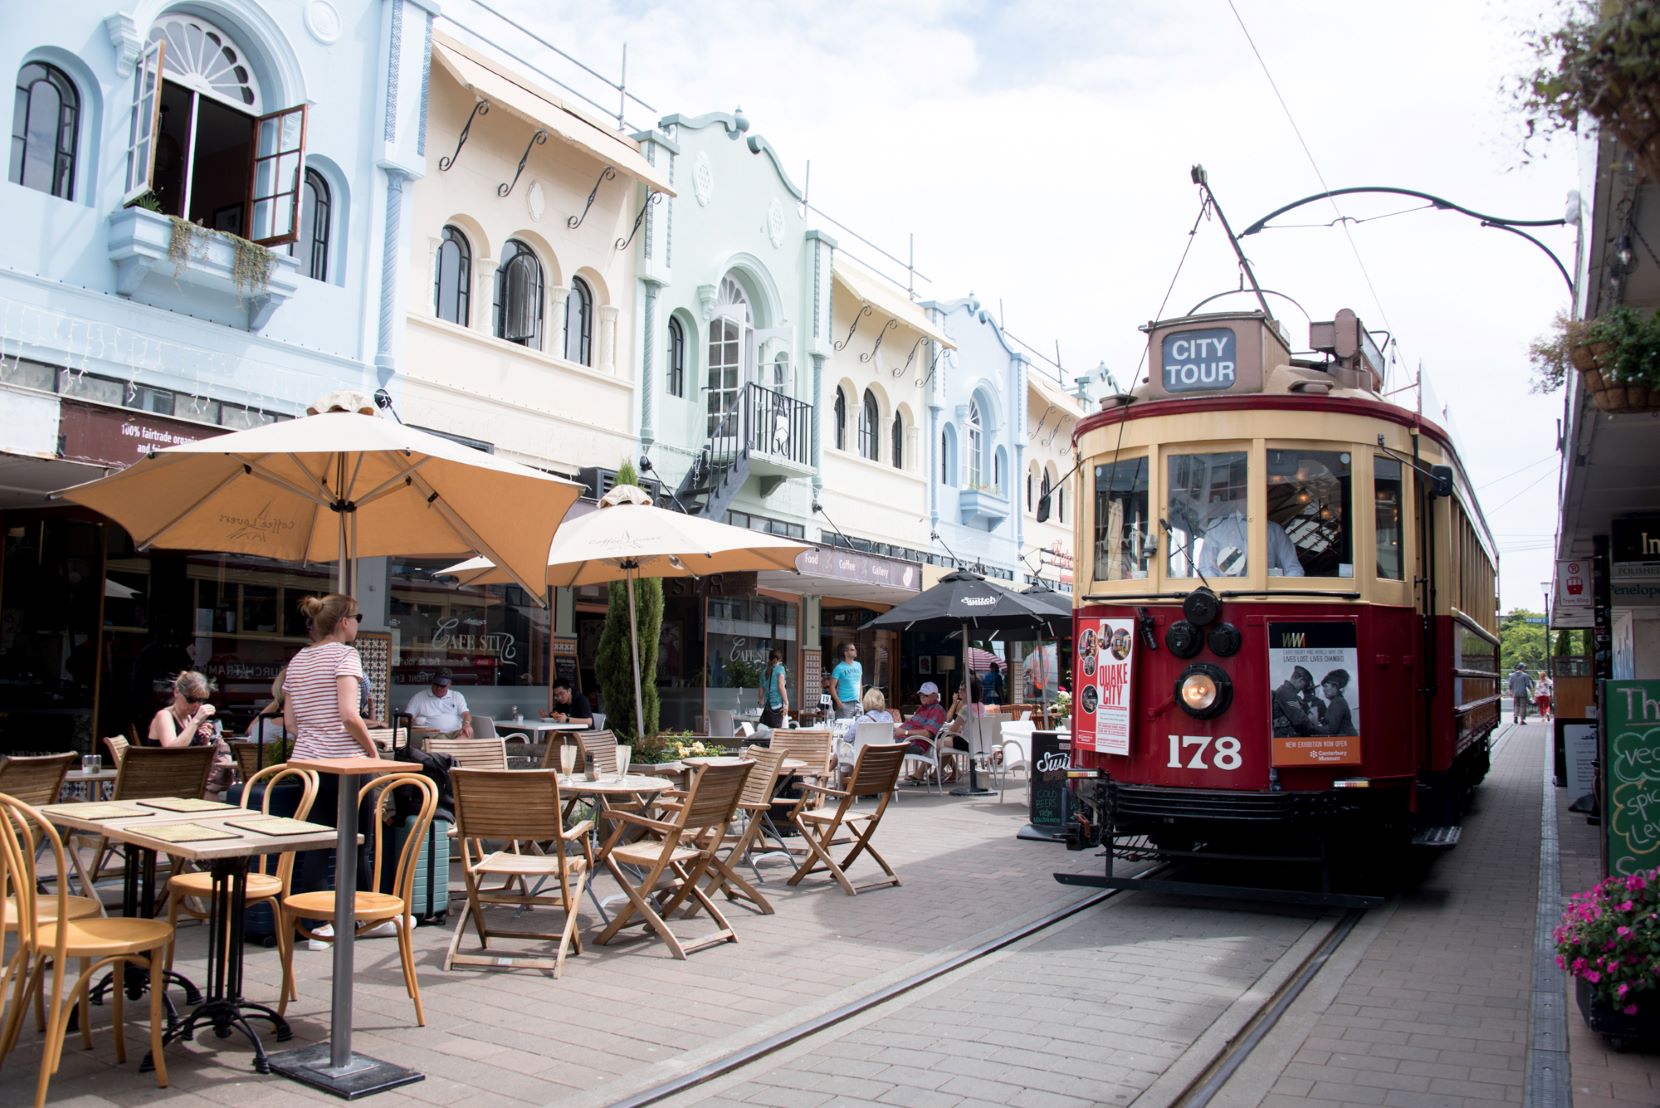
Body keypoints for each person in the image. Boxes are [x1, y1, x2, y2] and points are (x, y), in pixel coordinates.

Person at [283, 593, 387, 942]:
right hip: (345, 763)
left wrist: (317, 732)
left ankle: (317, 924)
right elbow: (348, 715)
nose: (358, 623)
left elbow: (292, 722)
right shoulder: (346, 655)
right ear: (344, 621)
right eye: (357, 616)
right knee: (359, 841)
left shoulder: (299, 659)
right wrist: (372, 752)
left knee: (319, 842)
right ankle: (362, 917)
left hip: (308, 762)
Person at [1197, 510, 1305, 578]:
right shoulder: (1218, 527)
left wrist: (1279, 595)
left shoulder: (1274, 530)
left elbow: (1293, 569)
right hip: (1225, 599)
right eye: (1244, 489)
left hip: (1265, 599)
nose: (1248, 493)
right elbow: (1206, 568)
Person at [149, 670, 218, 748]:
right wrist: (195, 722)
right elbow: (171, 749)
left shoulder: (188, 717)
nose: (196, 705)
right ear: (177, 692)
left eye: (201, 700)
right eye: (191, 699)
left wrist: (204, 741)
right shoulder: (164, 715)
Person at [896, 681, 947, 783]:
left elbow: (927, 733)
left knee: (883, 747)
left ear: (935, 696)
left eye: (926, 695)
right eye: (921, 694)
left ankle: (883, 781)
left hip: (915, 744)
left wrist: (905, 732)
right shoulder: (922, 708)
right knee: (877, 742)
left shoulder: (938, 711)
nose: (923, 697)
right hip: (905, 739)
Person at [405, 668, 473, 738]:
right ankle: (454, 747)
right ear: (432, 682)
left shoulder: (457, 696)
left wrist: (466, 724)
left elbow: (466, 714)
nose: (439, 688)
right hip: (433, 734)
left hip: (455, 732)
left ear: (449, 684)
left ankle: (453, 746)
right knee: (441, 738)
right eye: (436, 684)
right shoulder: (419, 697)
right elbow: (406, 717)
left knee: (468, 732)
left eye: (442, 685)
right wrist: (409, 721)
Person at [1272, 666, 1316, 737]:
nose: (1303, 689)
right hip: (1285, 738)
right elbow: (1299, 719)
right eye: (1304, 685)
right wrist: (1314, 728)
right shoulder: (1286, 692)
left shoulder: (1290, 693)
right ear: (1300, 680)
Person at [1315, 669, 1354, 736]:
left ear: (1335, 686)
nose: (1324, 690)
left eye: (1326, 686)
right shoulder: (1337, 701)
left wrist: (1310, 726)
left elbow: (1331, 729)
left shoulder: (1338, 702)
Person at [830, 642, 862, 720]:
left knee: (859, 729)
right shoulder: (839, 668)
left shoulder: (858, 665)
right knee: (844, 730)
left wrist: (861, 700)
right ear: (846, 653)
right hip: (844, 703)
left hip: (857, 703)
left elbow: (860, 683)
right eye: (852, 650)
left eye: (854, 649)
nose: (855, 651)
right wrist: (838, 702)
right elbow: (832, 687)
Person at [760, 649, 789, 728]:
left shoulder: (764, 672)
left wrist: (760, 701)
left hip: (768, 706)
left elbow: (761, 690)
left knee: (769, 732)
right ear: (779, 659)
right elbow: (781, 686)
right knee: (781, 734)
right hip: (778, 706)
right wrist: (786, 703)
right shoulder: (780, 669)